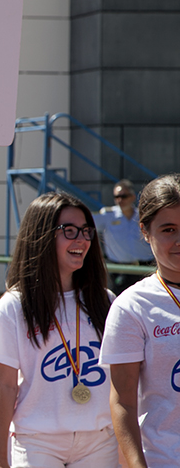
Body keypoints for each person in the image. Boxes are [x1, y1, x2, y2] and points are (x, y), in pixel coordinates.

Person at [0, 192, 116, 468]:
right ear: (42, 234)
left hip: (99, 441)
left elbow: (122, 380)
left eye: (86, 231)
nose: (81, 239)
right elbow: (6, 386)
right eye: (69, 231)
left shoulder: (105, 300)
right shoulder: (14, 305)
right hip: (38, 442)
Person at [100, 174, 180, 467]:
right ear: (145, 232)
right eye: (168, 230)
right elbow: (123, 401)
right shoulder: (131, 306)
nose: (179, 240)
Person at [94, 179, 154, 293]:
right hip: (120, 269)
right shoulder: (108, 215)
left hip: (144, 268)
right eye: (116, 197)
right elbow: (86, 225)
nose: (120, 200)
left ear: (132, 197)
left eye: (124, 196)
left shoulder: (144, 216)